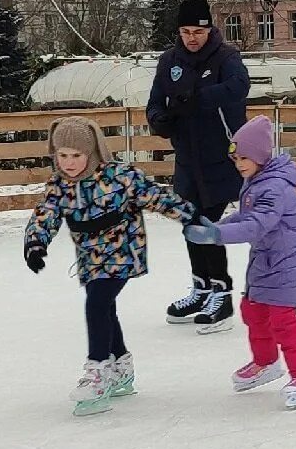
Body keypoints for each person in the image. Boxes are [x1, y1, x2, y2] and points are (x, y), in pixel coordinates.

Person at [23, 116, 199, 417]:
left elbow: (155, 196)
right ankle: (121, 364)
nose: (69, 163)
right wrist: (35, 243)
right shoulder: (59, 186)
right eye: (62, 155)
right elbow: (46, 215)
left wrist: (189, 216)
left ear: (91, 153)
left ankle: (98, 369)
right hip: (90, 257)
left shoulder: (119, 176)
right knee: (104, 307)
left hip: (124, 249)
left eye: (76, 155)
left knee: (97, 303)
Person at [182, 115, 296, 410]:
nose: (239, 165)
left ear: (260, 155)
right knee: (253, 310)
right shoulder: (257, 181)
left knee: (283, 319)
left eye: (244, 157)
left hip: (287, 261)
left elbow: (257, 224)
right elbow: (246, 218)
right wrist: (219, 225)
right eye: (235, 159)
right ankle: (265, 361)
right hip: (266, 259)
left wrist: (218, 235)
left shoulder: (274, 187)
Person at [146, 0, 252, 331]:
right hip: (188, 158)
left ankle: (221, 292)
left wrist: (201, 99)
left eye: (198, 31)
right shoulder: (169, 61)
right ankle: (201, 286)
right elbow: (155, 102)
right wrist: (159, 120)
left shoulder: (225, 57)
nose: (192, 38)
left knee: (208, 224)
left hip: (221, 156)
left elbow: (239, 87)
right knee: (189, 221)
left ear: (209, 29)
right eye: (186, 31)